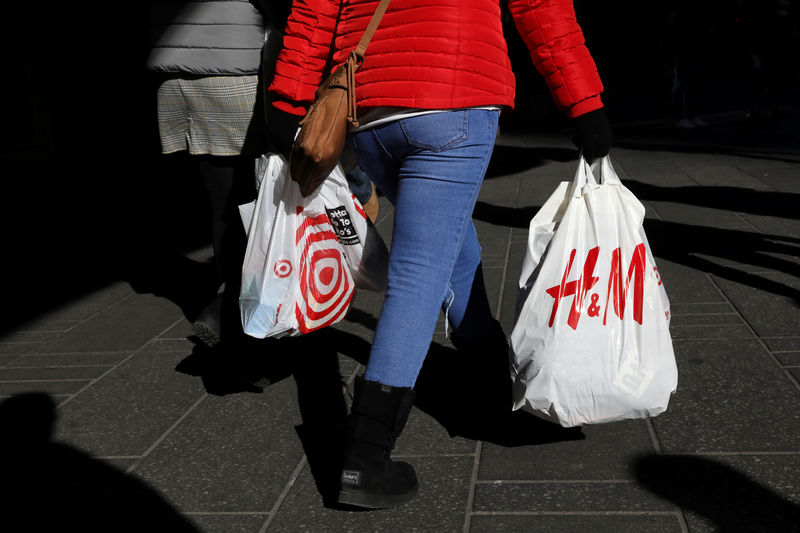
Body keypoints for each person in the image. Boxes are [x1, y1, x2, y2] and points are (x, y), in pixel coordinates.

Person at [266, 0, 611, 509]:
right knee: (421, 271)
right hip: (456, 92)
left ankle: (489, 376)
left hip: (371, 106)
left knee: (447, 243)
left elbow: (314, 9)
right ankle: (365, 455)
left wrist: (287, 98)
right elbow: (540, 7)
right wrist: (584, 102)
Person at [147, 0, 285, 347]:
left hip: (175, 76)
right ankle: (241, 310)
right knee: (253, 202)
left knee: (222, 201)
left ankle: (231, 299)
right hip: (234, 73)